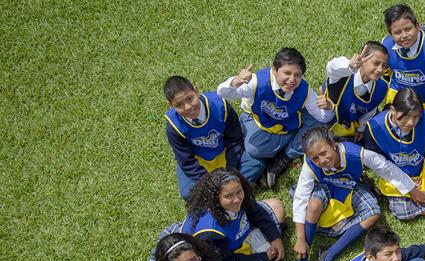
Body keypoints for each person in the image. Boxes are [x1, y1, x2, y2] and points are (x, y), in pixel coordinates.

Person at [291, 126, 424, 261]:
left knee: (374, 213)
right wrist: (300, 238)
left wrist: (411, 189)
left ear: (333, 144)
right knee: (312, 207)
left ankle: (330, 253)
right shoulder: (310, 165)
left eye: (323, 153)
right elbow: (300, 198)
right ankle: (303, 260)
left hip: (349, 186)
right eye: (315, 158)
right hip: (324, 187)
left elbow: (384, 167)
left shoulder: (355, 153)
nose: (321, 161)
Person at [217, 47, 327, 189]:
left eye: (297, 75)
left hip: (286, 124)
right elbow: (222, 94)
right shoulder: (256, 81)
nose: (292, 80)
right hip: (257, 121)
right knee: (254, 149)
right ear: (274, 69)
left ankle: (283, 159)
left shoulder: (304, 90)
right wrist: (235, 82)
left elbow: (324, 118)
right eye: (286, 73)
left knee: (319, 125)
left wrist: (328, 106)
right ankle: (268, 161)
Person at [183, 169, 289, 261]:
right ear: (215, 199)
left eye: (239, 191)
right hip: (228, 255)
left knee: (276, 205)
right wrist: (263, 257)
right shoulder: (209, 232)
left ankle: (267, 253)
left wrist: (275, 238)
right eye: (228, 196)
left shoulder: (239, 198)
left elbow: (257, 211)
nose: (237, 199)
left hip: (242, 234)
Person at [365, 88, 425, 220]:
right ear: (392, 110)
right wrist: (409, 187)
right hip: (394, 175)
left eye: (415, 116)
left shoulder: (424, 121)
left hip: (418, 171)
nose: (410, 123)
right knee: (406, 215)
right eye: (406, 116)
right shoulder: (375, 128)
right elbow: (379, 165)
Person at [162, 75, 256, 199]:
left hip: (226, 153)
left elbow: (235, 139)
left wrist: (229, 171)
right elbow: (186, 161)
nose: (188, 107)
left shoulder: (220, 104)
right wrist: (211, 182)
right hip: (200, 161)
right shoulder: (173, 126)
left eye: (190, 98)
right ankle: (234, 187)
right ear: (171, 105)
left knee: (256, 163)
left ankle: (220, 192)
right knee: (187, 193)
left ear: (196, 91)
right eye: (179, 105)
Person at [315, 42, 390, 139]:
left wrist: (361, 129)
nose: (380, 69)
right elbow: (331, 68)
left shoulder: (382, 87)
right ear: (363, 60)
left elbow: (370, 110)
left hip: (351, 127)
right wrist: (350, 65)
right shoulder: (344, 74)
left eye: (384, 66)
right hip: (327, 119)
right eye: (376, 63)